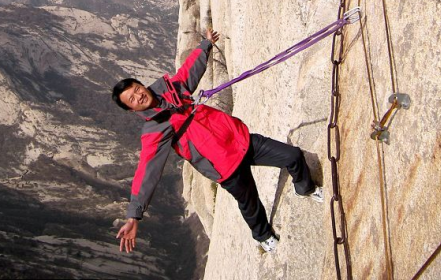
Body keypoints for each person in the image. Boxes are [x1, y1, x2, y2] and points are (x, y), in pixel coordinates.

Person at [113, 30, 323, 254]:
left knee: (292, 156)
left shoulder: (172, 90)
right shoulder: (154, 130)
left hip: (240, 140)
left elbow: (188, 71)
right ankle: (263, 236)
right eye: (132, 99)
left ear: (141, 85)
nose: (138, 96)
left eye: (136, 90)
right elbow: (147, 170)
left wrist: (205, 45)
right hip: (223, 166)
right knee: (250, 202)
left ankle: (305, 188)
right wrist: (134, 214)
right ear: (131, 110)